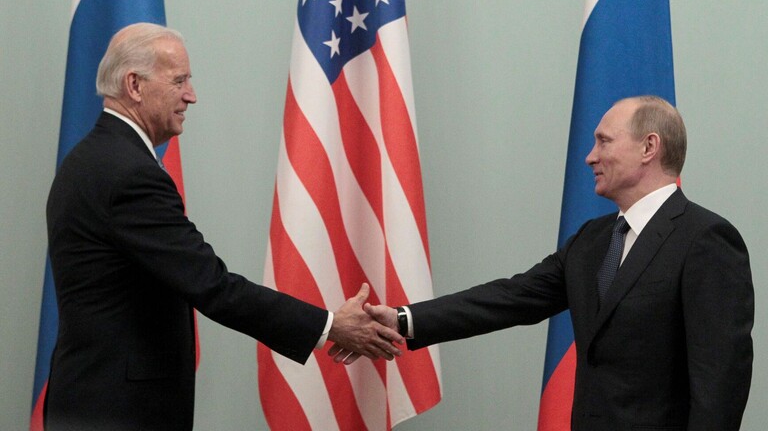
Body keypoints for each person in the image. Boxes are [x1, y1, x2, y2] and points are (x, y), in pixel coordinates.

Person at [44, 23, 402, 431]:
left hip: (92, 401)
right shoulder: (128, 174)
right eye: (179, 81)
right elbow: (212, 285)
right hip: (117, 413)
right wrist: (330, 325)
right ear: (135, 85)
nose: (191, 95)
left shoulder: (91, 159)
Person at [334, 96, 755, 430]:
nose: (590, 156)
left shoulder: (705, 240)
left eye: (604, 141)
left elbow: (720, 382)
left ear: (649, 147)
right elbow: (511, 298)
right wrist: (403, 319)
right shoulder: (593, 240)